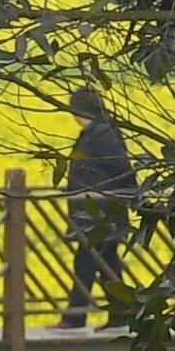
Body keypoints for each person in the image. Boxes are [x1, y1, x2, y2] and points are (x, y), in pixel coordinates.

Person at [62, 86, 136, 326]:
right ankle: (122, 313)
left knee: (86, 261)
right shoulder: (97, 132)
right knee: (107, 264)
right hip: (97, 212)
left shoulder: (102, 134)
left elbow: (121, 169)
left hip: (100, 212)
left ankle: (76, 316)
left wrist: (129, 197)